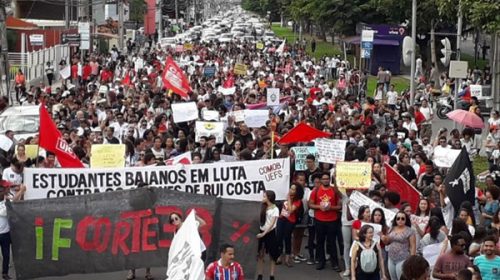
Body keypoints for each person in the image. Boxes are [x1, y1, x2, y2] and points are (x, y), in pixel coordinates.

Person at [308, 172, 342, 271]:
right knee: (320, 242)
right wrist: (320, 207)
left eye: (327, 179)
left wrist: (331, 207)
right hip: (319, 220)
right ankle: (321, 261)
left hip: (332, 220)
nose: (326, 180)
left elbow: (339, 206)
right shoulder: (316, 190)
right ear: (321, 180)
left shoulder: (334, 190)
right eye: (324, 179)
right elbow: (311, 204)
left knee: (332, 242)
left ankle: (334, 263)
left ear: (329, 179)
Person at [0, 180, 26, 280]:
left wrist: (20, 191)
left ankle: (5, 273)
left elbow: (16, 202)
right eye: (6, 188)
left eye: (8, 187)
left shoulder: (7, 197)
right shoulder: (6, 201)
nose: (8, 189)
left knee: (6, 255)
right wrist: (21, 191)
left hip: (6, 234)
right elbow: (7, 210)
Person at [381, 211, 416, 280]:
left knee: (401, 278)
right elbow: (387, 242)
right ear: (395, 219)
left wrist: (412, 260)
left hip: (403, 258)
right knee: (393, 278)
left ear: (406, 220)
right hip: (391, 257)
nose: (400, 220)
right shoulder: (392, 229)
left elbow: (413, 246)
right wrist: (384, 238)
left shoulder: (410, 231)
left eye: (403, 218)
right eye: (398, 218)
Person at [276, 183, 304, 267]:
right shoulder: (284, 196)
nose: (291, 191)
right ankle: (279, 256)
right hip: (281, 218)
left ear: (297, 191)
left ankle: (287, 259)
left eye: (293, 189)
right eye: (290, 188)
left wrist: (288, 198)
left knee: (287, 238)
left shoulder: (298, 201)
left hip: (290, 220)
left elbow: (291, 210)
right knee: (279, 237)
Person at [256, 190, 280, 280]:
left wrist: (264, 234)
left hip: (270, 233)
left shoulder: (275, 209)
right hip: (261, 231)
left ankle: (272, 275)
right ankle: (260, 274)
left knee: (272, 255)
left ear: (269, 198)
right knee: (260, 254)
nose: (263, 198)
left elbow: (272, 224)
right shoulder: (262, 207)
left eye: (264, 196)